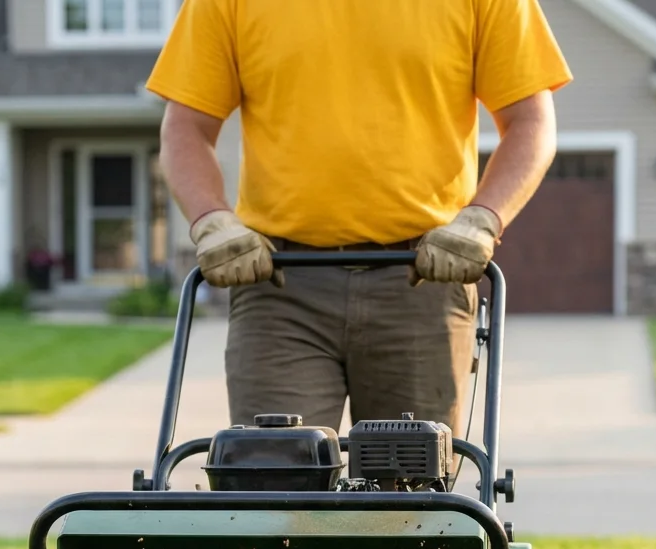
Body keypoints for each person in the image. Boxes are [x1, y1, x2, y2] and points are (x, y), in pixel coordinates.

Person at [145, 0, 572, 435]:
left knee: (410, 488)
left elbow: (530, 121)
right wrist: (211, 219)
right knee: (275, 476)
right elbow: (186, 127)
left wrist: (483, 217)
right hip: (281, 288)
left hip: (421, 281)